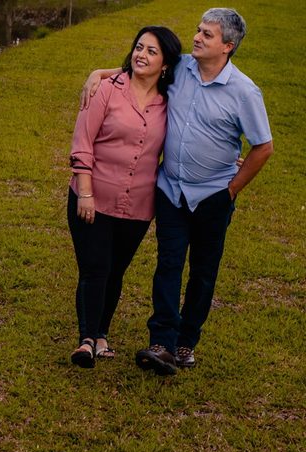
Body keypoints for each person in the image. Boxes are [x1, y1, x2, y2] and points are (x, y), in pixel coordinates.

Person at [82, 7, 273, 375]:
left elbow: (263, 146)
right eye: (198, 30)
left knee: (202, 271)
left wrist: (231, 191)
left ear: (228, 46)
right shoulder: (181, 68)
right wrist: (98, 73)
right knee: (168, 265)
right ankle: (162, 341)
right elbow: (138, 70)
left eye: (207, 34)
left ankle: (186, 342)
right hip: (171, 191)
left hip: (214, 197)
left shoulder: (244, 92)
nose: (197, 37)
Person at [67, 26, 182, 368]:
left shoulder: (169, 101)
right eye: (138, 47)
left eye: (151, 51)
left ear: (165, 64)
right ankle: (86, 340)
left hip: (138, 205)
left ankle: (102, 334)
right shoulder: (105, 90)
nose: (141, 55)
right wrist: (84, 192)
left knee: (116, 270)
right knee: (95, 267)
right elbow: (82, 143)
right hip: (94, 196)